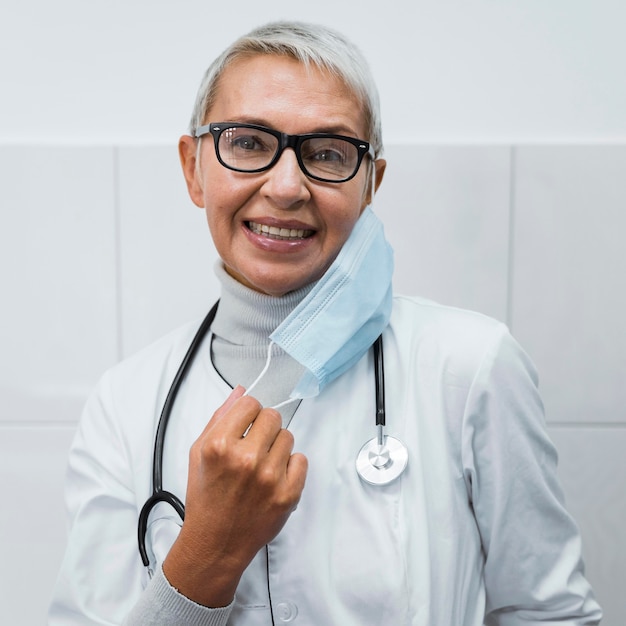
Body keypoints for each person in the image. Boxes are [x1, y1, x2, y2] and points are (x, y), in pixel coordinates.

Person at [49, 20, 602, 626]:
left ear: (371, 184)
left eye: (329, 154)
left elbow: (550, 614)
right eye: (248, 142)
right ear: (193, 169)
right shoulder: (124, 404)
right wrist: (210, 550)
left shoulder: (469, 368)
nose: (287, 187)